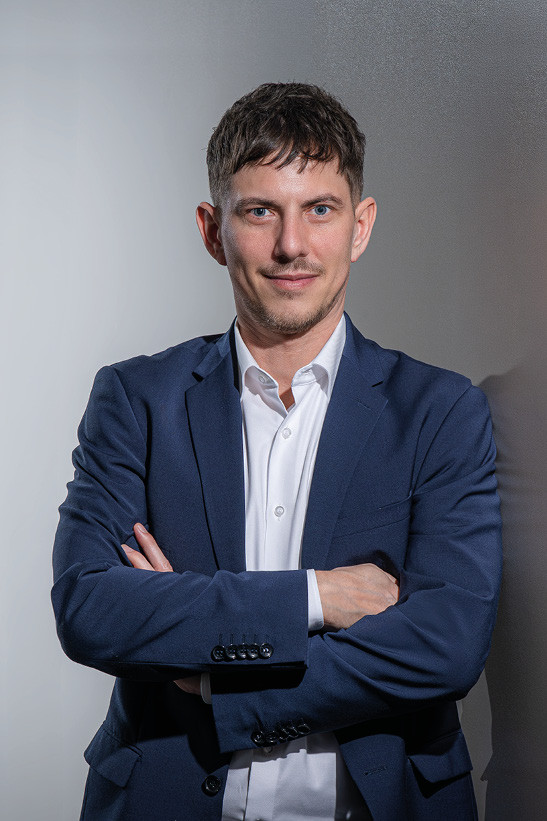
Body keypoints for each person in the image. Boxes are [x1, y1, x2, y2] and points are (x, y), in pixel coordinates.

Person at [52, 82, 502, 821]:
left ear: (360, 226)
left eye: (319, 209)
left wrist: (217, 676)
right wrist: (316, 597)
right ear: (212, 231)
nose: (291, 245)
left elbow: (446, 644)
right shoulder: (136, 399)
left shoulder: (439, 411)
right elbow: (90, 607)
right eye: (260, 211)